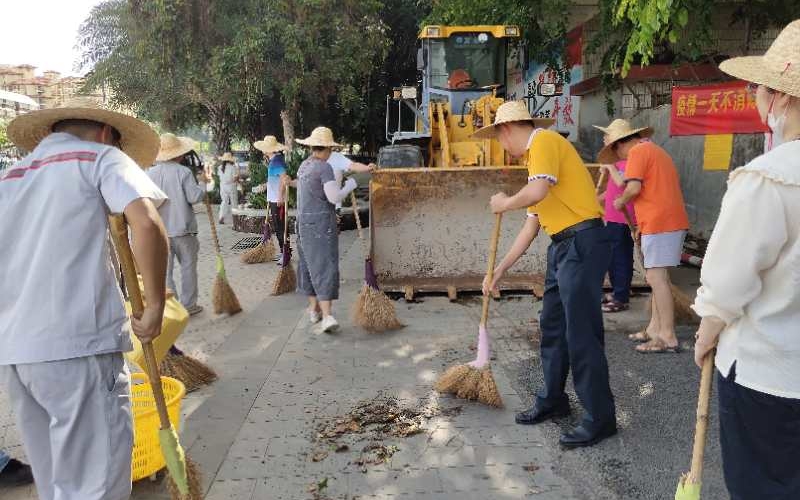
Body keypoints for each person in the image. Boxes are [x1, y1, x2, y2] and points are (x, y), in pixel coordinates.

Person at [0, 97, 168, 499]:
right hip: (77, 345)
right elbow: (146, 223)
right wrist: (157, 304)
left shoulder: (10, 176)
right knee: (96, 485)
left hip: (16, 353)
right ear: (107, 133)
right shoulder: (100, 157)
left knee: (59, 482)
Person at [693, 20, 800, 500]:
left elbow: (727, 283)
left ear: (781, 97)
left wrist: (707, 329)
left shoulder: (767, 178)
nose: (755, 95)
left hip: (770, 376)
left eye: (758, 86)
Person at [476, 101, 617, 448]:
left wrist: (504, 202)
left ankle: (601, 418)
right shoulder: (537, 161)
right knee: (552, 327)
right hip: (562, 248)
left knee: (581, 334)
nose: (503, 149)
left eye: (499, 140)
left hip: (582, 242)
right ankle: (553, 398)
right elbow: (531, 225)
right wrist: (499, 270)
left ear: (505, 130)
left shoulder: (542, 142)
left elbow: (534, 194)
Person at [597, 119, 689, 353]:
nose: (617, 156)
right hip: (661, 221)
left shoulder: (638, 151)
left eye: (615, 150)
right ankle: (654, 328)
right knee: (656, 278)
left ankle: (667, 335)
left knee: (657, 279)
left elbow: (633, 188)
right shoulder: (653, 150)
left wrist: (621, 200)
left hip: (661, 222)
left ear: (621, 144)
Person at [294, 127, 358, 334]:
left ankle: (314, 310)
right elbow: (333, 197)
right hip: (321, 224)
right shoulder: (324, 167)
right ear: (329, 148)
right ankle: (327, 316)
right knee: (324, 267)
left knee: (308, 267)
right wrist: (351, 185)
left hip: (303, 223)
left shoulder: (304, 166)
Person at [147, 133, 210, 315]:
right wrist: (202, 187)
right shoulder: (183, 173)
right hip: (184, 230)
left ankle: (171, 306)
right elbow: (194, 197)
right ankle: (189, 305)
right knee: (188, 269)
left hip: (161, 232)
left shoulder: (150, 174)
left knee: (165, 272)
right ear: (179, 154)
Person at [595, 157, 636, 312]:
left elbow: (623, 184)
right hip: (612, 217)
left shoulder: (630, 162)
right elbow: (612, 189)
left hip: (623, 217)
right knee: (613, 256)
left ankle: (621, 298)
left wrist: (610, 168)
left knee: (621, 257)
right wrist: (595, 200)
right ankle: (619, 292)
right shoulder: (618, 163)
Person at [253, 135, 289, 259]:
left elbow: (284, 178)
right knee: (279, 227)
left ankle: (285, 253)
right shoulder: (274, 161)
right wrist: (264, 186)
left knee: (280, 227)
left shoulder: (277, 161)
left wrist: (280, 196)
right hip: (274, 198)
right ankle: (284, 252)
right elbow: (275, 179)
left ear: (269, 149)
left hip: (277, 200)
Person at [217, 151, 239, 224]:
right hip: (231, 186)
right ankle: (235, 219)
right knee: (234, 202)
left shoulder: (220, 168)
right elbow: (235, 178)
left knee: (224, 202)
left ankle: (221, 217)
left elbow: (220, 177)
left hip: (223, 186)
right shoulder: (233, 167)